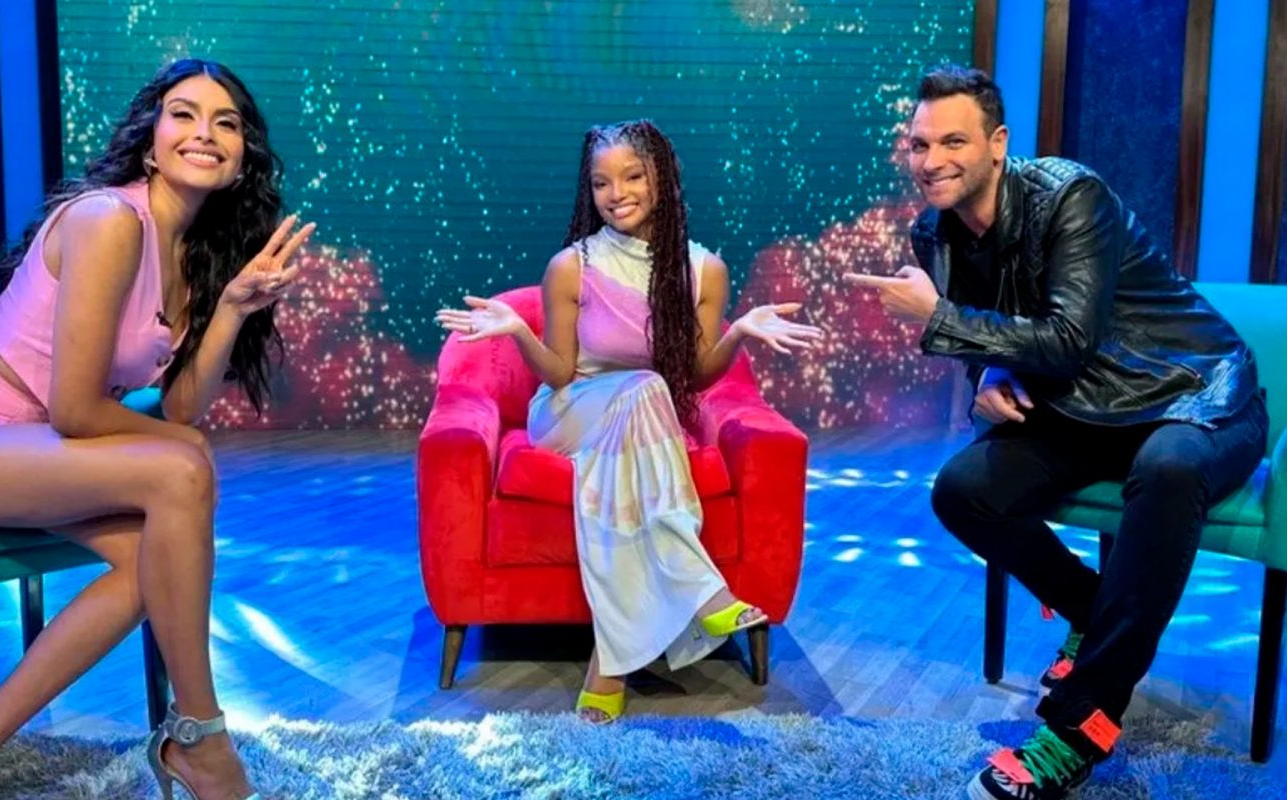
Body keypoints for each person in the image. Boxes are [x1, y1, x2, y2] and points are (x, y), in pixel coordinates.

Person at [0, 58, 314, 800]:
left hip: (31, 444)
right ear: (151, 142)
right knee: (182, 469)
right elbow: (78, 411)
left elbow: (181, 409)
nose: (204, 132)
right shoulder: (110, 220)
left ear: (242, 161)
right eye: (183, 114)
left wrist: (232, 308)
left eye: (226, 123)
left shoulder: (192, 256)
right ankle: (201, 737)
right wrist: (186, 451)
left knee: (152, 561)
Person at [845, 64, 1267, 800]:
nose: (932, 160)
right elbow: (994, 336)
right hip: (1084, 406)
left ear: (997, 143)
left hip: (1194, 393)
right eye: (919, 144)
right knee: (962, 489)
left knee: (1168, 470)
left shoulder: (1071, 196)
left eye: (953, 141)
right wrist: (985, 373)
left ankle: (1079, 728)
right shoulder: (933, 233)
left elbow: (1068, 338)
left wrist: (939, 318)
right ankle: (1099, 616)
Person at [436, 119, 822, 723]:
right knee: (646, 387)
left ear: (661, 179)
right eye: (601, 183)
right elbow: (559, 374)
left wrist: (740, 332)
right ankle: (703, 590)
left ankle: (608, 667)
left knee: (643, 405)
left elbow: (695, 375)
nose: (616, 194)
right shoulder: (572, 265)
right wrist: (517, 331)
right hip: (569, 413)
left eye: (632, 176)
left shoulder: (703, 270)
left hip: (640, 421)